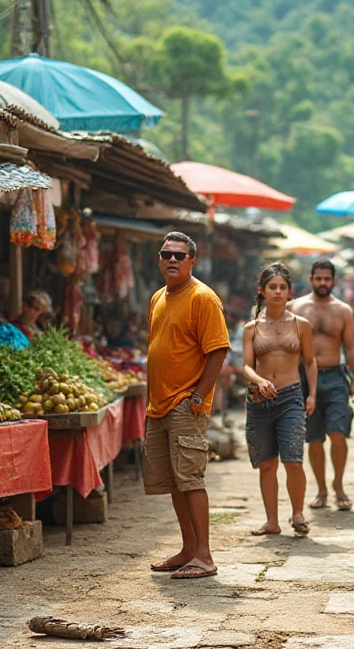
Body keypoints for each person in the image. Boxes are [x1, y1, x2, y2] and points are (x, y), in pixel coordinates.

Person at [144, 232, 230, 579]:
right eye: (166, 255)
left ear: (192, 260)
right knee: (175, 482)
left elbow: (218, 350)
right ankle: (188, 549)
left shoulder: (203, 297)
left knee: (191, 480)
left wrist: (197, 396)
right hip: (159, 405)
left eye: (180, 255)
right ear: (159, 259)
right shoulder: (157, 298)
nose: (172, 260)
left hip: (185, 405)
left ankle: (205, 556)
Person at [241, 263, 317, 535]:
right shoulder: (251, 328)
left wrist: (312, 395)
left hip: (291, 397)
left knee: (293, 459)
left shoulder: (301, 325)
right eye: (272, 287)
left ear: (289, 292)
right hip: (260, 400)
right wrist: (259, 380)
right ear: (262, 290)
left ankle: (297, 514)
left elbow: (309, 362)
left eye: (282, 287)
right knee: (266, 464)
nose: (277, 291)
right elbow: (246, 366)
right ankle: (271, 521)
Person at [290, 260, 354, 512]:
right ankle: (321, 489)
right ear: (311, 279)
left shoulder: (342, 310)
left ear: (334, 280)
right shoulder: (294, 307)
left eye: (327, 279)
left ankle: (338, 485)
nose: (322, 283)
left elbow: (351, 347)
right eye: (318, 278)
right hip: (303, 379)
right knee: (314, 438)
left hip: (334, 377)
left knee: (338, 433)